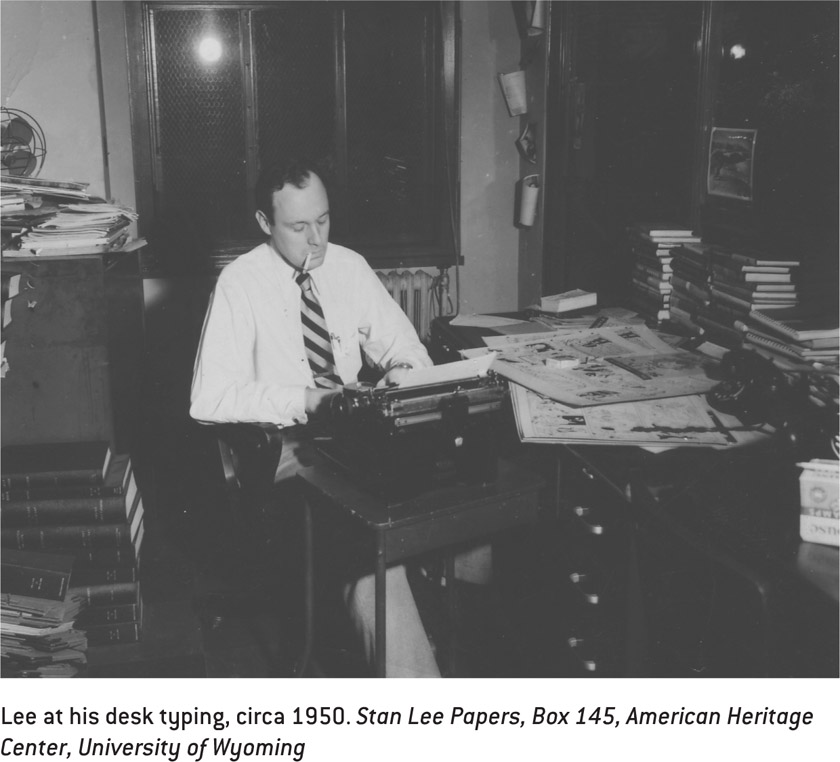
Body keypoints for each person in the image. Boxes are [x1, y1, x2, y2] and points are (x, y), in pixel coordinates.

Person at [190, 158, 440, 677]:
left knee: (460, 493)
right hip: (285, 450)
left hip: (357, 433)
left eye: (324, 221)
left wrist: (400, 373)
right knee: (373, 549)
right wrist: (305, 399)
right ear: (264, 223)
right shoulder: (239, 283)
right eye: (299, 227)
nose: (317, 240)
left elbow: (411, 352)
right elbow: (207, 399)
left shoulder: (348, 267)